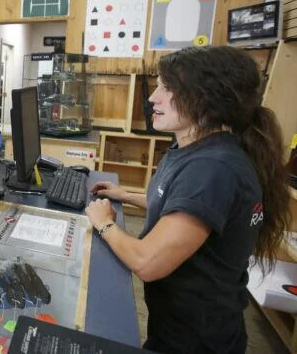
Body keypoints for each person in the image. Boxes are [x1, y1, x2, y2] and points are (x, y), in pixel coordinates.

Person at [86, 46, 291, 353]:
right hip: (179, 326)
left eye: (167, 88)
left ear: (208, 98)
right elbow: (180, 203)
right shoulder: (198, 149)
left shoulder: (213, 168)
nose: (153, 97)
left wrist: (104, 224)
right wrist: (125, 195)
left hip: (196, 341)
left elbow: (147, 262)